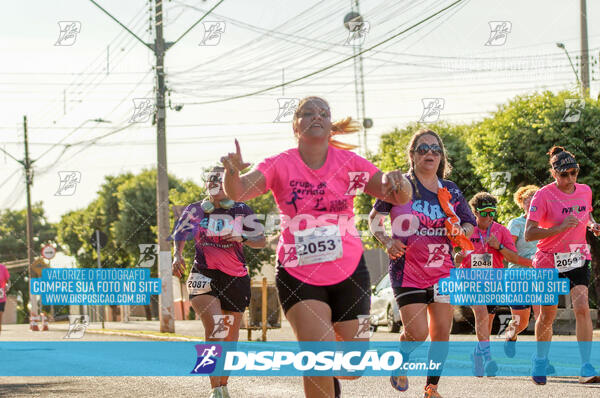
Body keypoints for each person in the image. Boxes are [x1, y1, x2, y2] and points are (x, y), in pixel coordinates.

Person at [221, 96, 412, 398]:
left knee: (354, 367)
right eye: (307, 113)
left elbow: (398, 196)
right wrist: (231, 172)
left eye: (323, 113)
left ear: (330, 125)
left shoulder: (350, 164)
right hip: (298, 273)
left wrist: (399, 181)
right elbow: (240, 191)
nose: (316, 117)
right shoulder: (279, 164)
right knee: (316, 358)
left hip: (350, 271)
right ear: (295, 126)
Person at [369, 129, 475, 398]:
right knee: (417, 333)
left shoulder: (449, 190)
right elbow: (374, 218)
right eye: (423, 148)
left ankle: (431, 387)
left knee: (441, 333)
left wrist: (461, 234)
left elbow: (469, 222)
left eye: (435, 149)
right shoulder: (399, 186)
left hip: (442, 271)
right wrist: (386, 241)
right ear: (412, 154)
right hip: (408, 270)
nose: (430, 153)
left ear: (441, 157)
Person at [171, 166, 266, 398]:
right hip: (203, 274)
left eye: (219, 179)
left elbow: (261, 240)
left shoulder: (241, 209)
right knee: (215, 328)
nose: (214, 182)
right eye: (210, 179)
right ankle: (214, 389)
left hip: (236, 278)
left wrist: (241, 236)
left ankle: (223, 386)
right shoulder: (195, 210)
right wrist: (177, 255)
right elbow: (179, 234)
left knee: (230, 339)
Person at [525, 146, 600, 385]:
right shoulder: (543, 196)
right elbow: (528, 234)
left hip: (576, 255)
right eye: (564, 174)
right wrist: (558, 228)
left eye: (574, 173)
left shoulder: (585, 190)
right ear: (554, 174)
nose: (570, 178)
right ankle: (540, 359)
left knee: (582, 307)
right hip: (548, 258)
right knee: (548, 314)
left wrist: (592, 224)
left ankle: (586, 366)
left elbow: (585, 213)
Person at [454, 192, 531, 377]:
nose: (489, 217)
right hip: (470, 281)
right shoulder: (467, 230)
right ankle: (488, 359)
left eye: (492, 212)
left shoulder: (501, 231)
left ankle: (477, 355)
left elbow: (513, 258)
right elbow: (457, 258)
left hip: (493, 282)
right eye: (484, 212)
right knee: (480, 312)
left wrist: (499, 247)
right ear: (475, 212)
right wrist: (458, 258)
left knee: (486, 321)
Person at [504, 185, 541, 358]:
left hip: (540, 276)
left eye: (536, 199)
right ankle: (510, 335)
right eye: (528, 199)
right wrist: (531, 262)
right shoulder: (516, 223)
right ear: (522, 202)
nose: (532, 202)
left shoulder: (546, 224)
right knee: (522, 322)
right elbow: (508, 254)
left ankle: (541, 357)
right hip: (517, 276)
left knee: (543, 317)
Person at [0, 263, 9, 334]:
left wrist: (7, 287)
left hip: (1, 295)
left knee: (0, 312)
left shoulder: (2, 267)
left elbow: (8, 281)